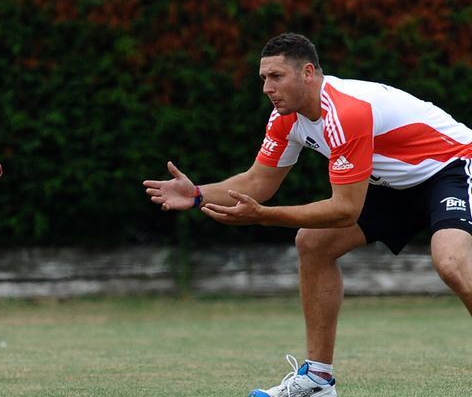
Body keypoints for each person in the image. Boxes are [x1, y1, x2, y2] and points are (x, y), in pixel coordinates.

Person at [143, 32, 472, 397]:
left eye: (276, 77)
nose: (267, 87)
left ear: (308, 73)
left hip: (453, 166)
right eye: (264, 78)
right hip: (397, 184)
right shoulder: (286, 118)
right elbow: (257, 182)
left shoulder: (346, 111)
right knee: (313, 244)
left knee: (452, 263)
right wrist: (198, 194)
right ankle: (317, 380)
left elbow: (346, 209)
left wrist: (264, 216)